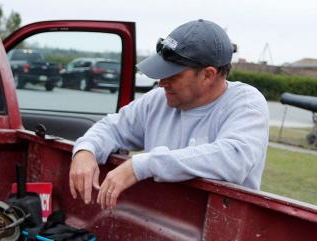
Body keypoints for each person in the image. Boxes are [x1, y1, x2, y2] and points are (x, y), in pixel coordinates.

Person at [69, 19, 269, 208]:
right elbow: (113, 128)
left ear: (208, 74)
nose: (162, 82)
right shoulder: (158, 99)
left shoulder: (245, 103)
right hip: (165, 223)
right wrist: (86, 150)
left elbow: (232, 159)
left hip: (220, 235)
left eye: (173, 75)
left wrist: (141, 166)